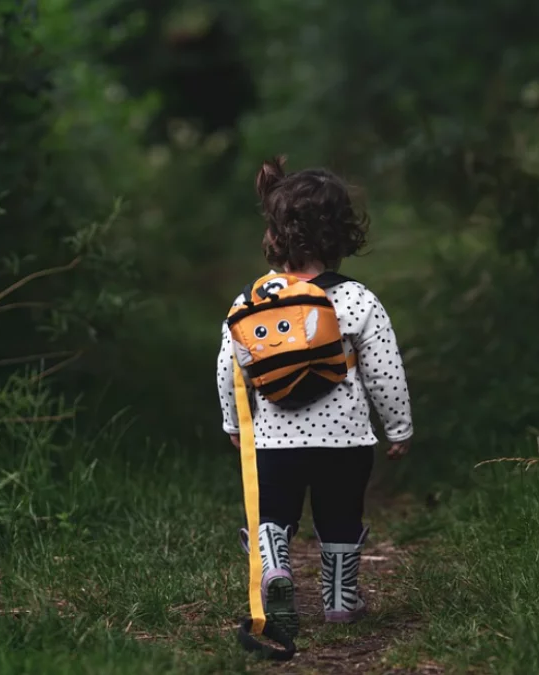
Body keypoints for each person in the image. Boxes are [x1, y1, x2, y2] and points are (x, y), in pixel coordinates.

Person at [215, 156, 414, 637]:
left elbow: (229, 370)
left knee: (272, 515)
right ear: (343, 235)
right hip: (344, 441)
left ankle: (276, 572)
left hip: (273, 441)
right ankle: (341, 599)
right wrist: (399, 427)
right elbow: (385, 372)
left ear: (276, 234)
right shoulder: (358, 299)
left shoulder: (250, 301)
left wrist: (234, 425)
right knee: (340, 516)